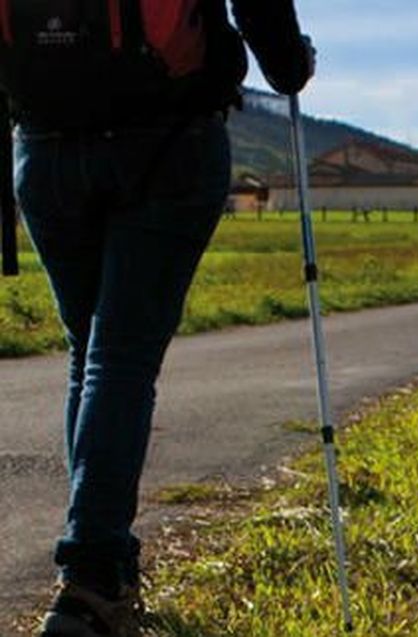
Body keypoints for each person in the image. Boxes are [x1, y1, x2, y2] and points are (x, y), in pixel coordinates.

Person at [0, 1, 314, 635]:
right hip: (168, 142)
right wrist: (289, 67)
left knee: (91, 351)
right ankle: (91, 577)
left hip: (45, 145)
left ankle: (103, 562)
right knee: (117, 356)